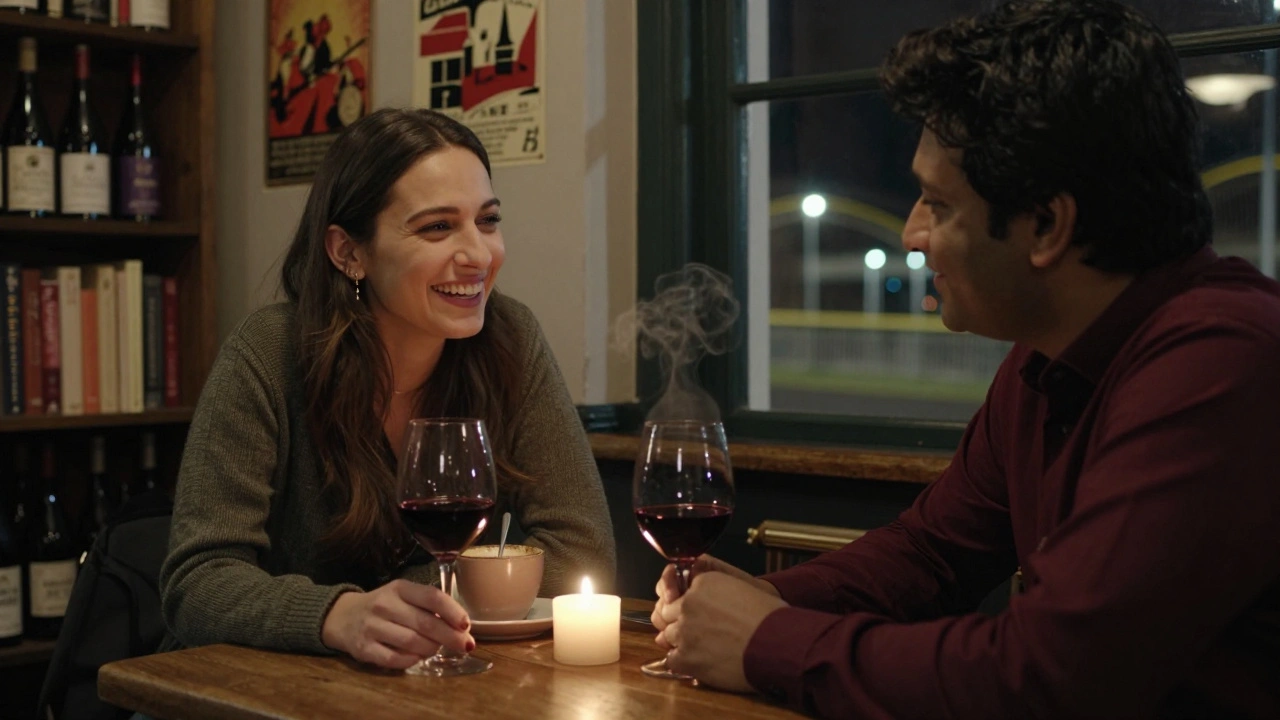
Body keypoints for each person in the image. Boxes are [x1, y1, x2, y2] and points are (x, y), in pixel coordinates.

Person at [650, 2, 1280, 717]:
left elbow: (1046, 676)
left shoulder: (1226, 360)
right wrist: (760, 600)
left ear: (1046, 224)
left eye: (936, 204)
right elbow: (932, 553)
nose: (912, 235)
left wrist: (768, 640)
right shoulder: (1049, 356)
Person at [160, 107, 616, 669]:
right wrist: (339, 615)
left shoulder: (510, 337)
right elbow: (198, 582)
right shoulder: (267, 354)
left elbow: (581, 550)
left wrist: (423, 601)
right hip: (257, 689)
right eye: (437, 227)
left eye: (488, 220)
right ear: (348, 253)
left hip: (429, 686)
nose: (478, 254)